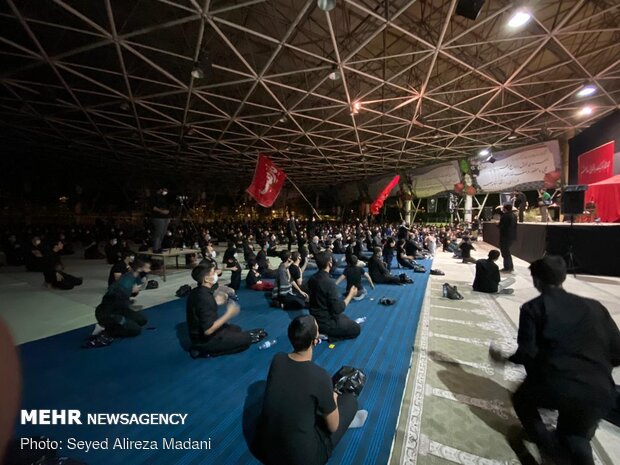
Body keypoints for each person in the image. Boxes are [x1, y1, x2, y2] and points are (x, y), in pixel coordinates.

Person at [491, 256, 620, 465]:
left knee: (522, 400)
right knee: (575, 435)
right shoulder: (595, 307)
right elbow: (617, 353)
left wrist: (504, 359)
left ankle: (545, 446)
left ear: (536, 281)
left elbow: (527, 354)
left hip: (557, 384)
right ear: (563, 279)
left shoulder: (533, 308)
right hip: (600, 391)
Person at [254, 315, 367, 465]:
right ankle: (346, 420)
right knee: (350, 402)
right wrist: (334, 396)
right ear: (315, 341)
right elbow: (333, 426)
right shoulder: (320, 376)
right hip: (303, 459)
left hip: (267, 450)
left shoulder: (277, 359)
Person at [186, 262, 253, 357]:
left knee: (236, 329)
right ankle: (204, 351)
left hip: (198, 334)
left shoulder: (197, 291)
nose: (216, 274)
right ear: (206, 279)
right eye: (213, 272)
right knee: (246, 340)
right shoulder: (205, 298)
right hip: (205, 339)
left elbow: (201, 309)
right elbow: (208, 330)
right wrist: (228, 314)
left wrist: (216, 301)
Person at [307, 252, 360, 340]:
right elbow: (337, 309)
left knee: (345, 318)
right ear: (329, 263)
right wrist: (350, 295)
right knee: (356, 329)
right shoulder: (329, 282)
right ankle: (327, 336)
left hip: (315, 319)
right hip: (325, 322)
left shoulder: (312, 278)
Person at [94, 259, 151, 338]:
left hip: (120, 308)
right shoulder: (125, 282)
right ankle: (105, 328)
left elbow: (135, 291)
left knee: (142, 320)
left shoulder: (134, 276)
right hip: (109, 312)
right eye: (147, 268)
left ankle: (119, 323)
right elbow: (116, 302)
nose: (149, 270)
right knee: (136, 330)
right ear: (139, 269)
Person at [150, 187, 171, 253]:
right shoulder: (154, 197)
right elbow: (153, 207)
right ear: (160, 190)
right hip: (158, 217)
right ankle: (155, 248)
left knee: (163, 233)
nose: (165, 191)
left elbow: (167, 207)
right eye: (163, 190)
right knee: (158, 233)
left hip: (165, 217)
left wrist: (168, 216)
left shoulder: (163, 197)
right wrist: (162, 211)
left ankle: (159, 247)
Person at [498, 203, 517, 272]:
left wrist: (498, 225)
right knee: (507, 252)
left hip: (505, 236)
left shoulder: (505, 216)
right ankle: (510, 267)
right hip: (511, 236)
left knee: (505, 253)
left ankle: (507, 268)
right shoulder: (514, 216)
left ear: (505, 209)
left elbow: (502, 226)